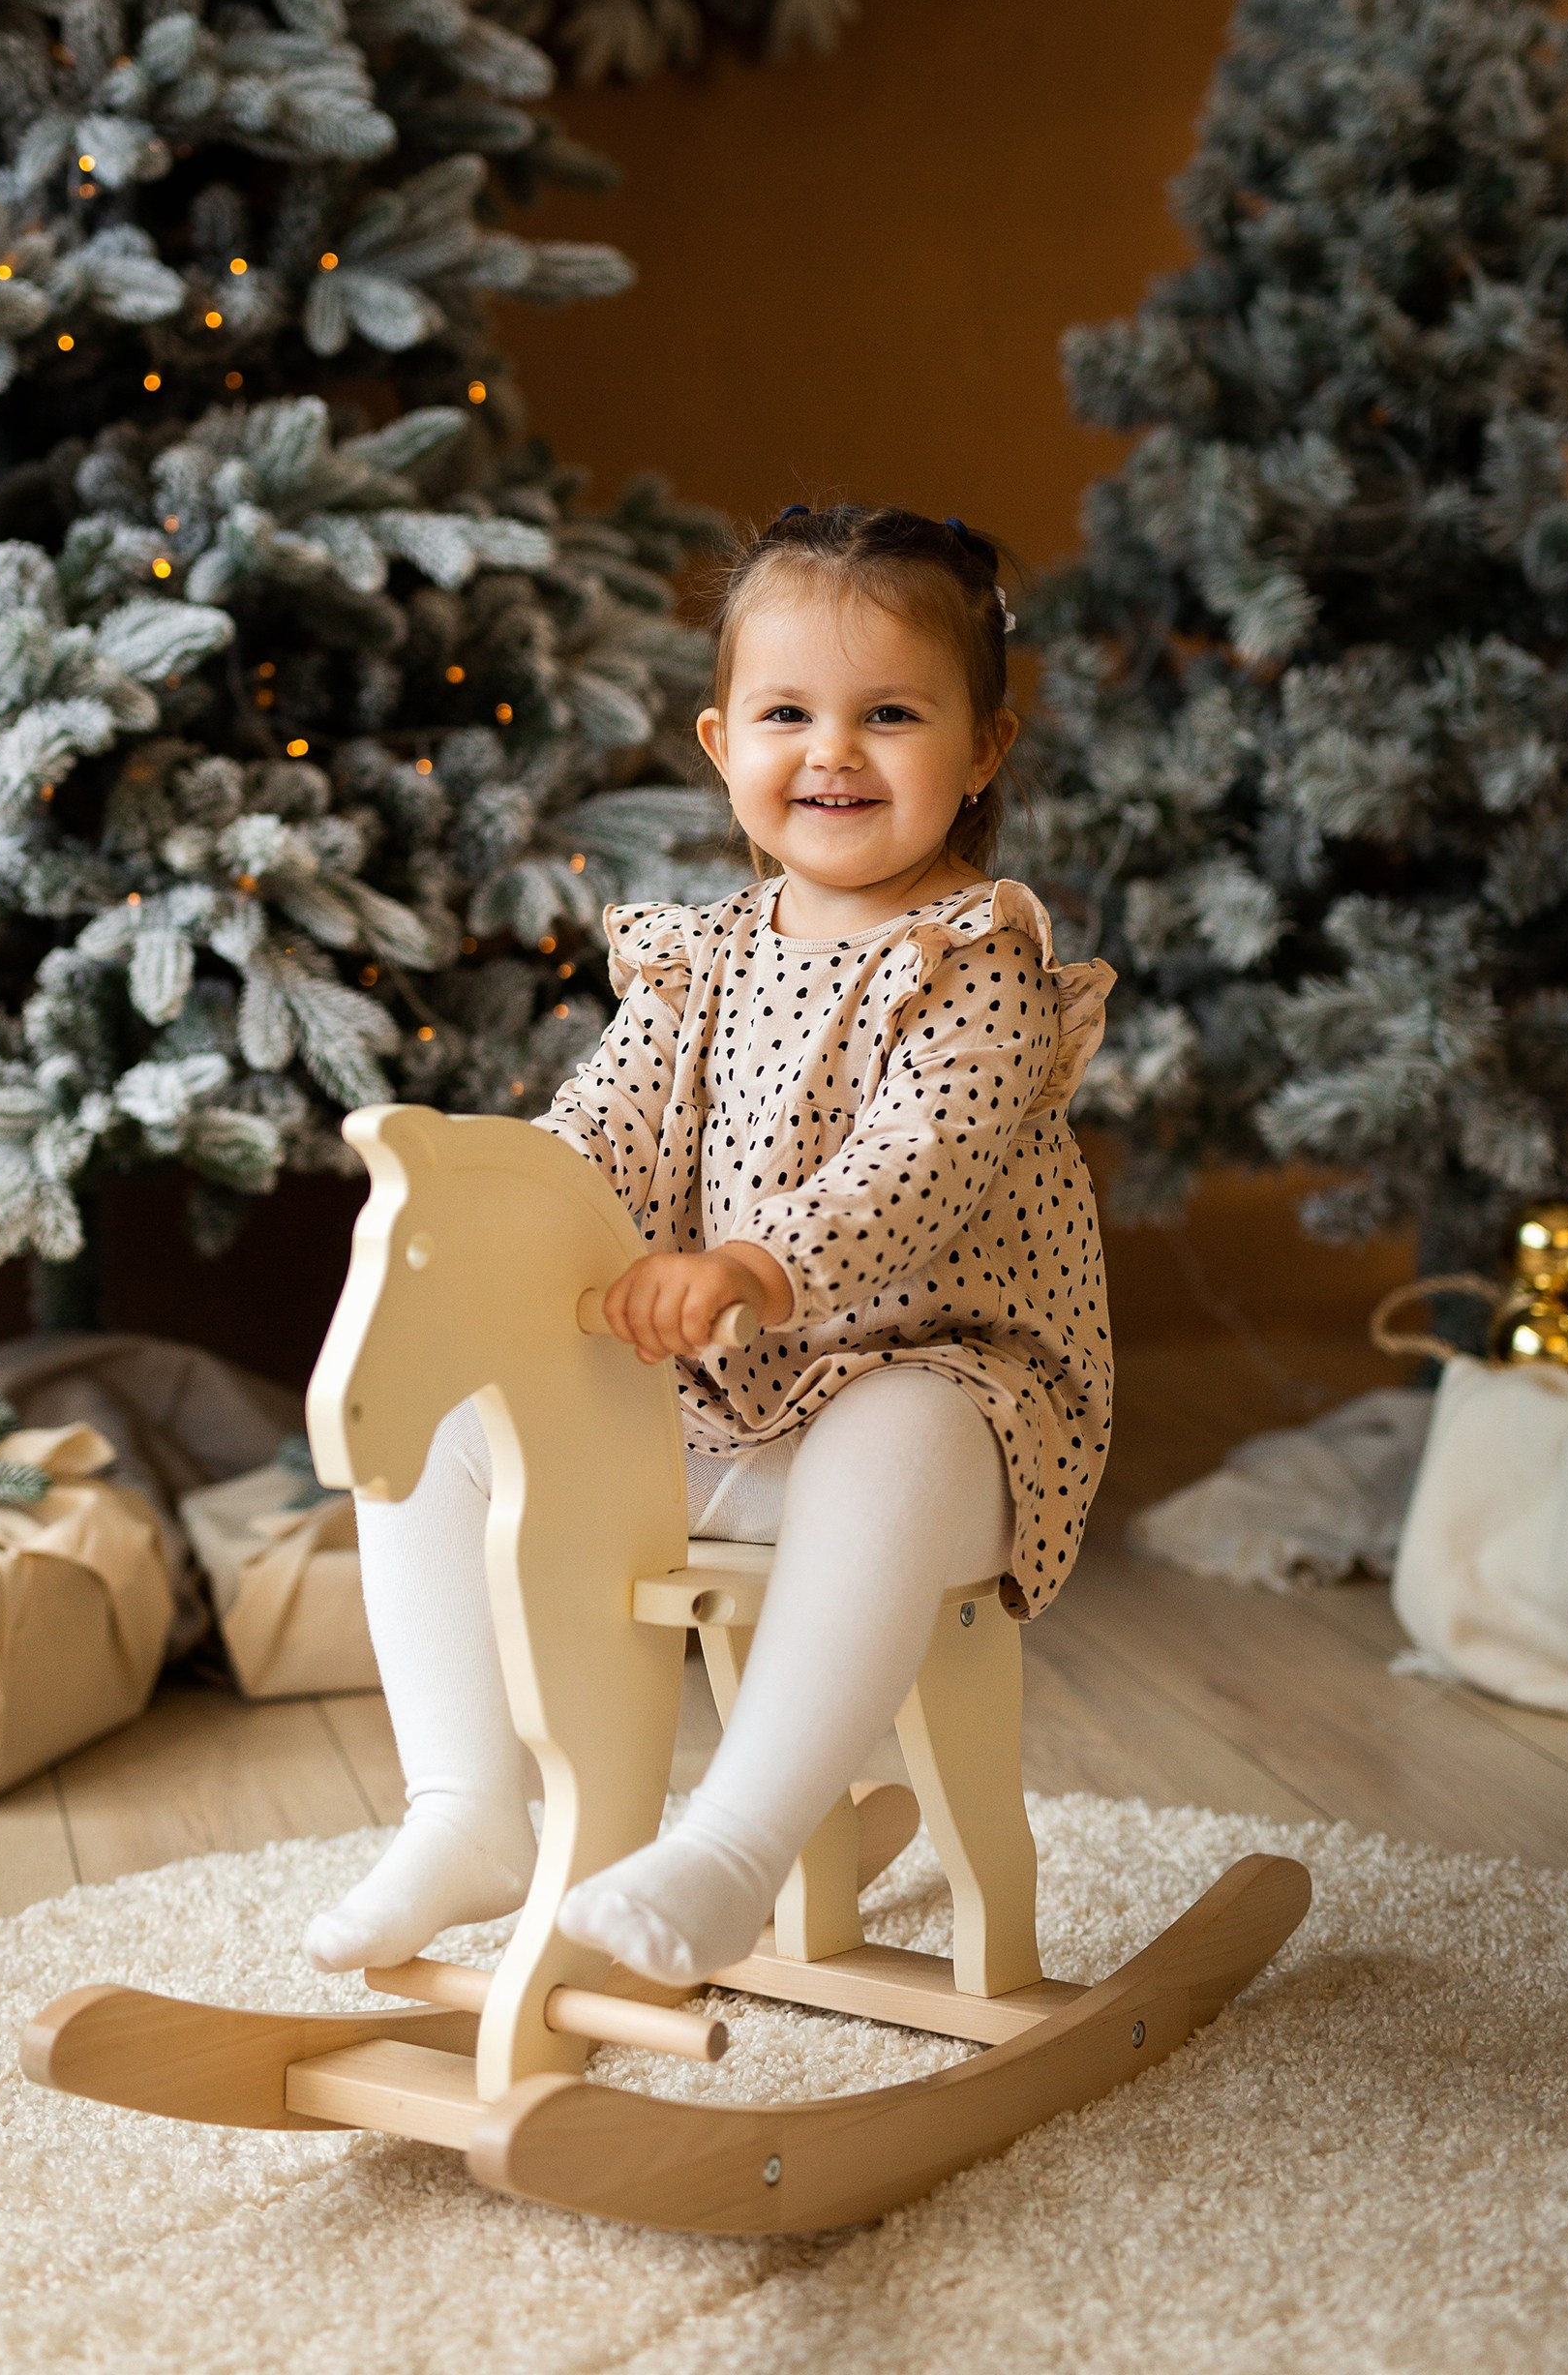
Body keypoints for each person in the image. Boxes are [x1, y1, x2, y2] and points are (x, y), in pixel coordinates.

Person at [304, 501, 1114, 1989]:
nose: (834, 753)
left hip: (958, 1396)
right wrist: (503, 1217)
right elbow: (596, 1129)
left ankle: (738, 1842)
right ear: (719, 740)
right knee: (453, 1430)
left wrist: (753, 1266)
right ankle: (467, 1809)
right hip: (731, 1396)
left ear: (984, 748)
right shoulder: (704, 956)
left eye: (891, 715)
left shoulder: (982, 963)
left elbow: (917, 1167)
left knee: (900, 1426)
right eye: (788, 713)